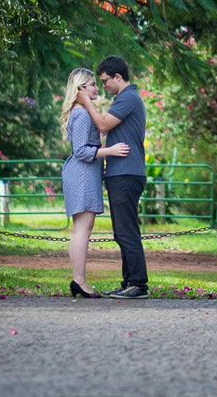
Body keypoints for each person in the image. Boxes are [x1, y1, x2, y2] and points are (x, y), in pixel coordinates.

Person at [76, 55, 149, 299]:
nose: (103, 85)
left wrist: (86, 101)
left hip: (127, 173)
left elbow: (103, 125)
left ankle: (138, 284)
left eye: (105, 80)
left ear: (118, 77)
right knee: (122, 232)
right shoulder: (125, 98)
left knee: (127, 232)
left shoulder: (128, 97)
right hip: (121, 173)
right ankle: (129, 281)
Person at [59, 67, 129, 299]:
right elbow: (80, 151)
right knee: (82, 230)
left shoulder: (80, 112)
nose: (97, 88)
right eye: (92, 85)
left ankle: (79, 280)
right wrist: (110, 150)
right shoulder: (81, 114)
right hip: (81, 174)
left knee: (81, 230)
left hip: (84, 174)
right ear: (80, 89)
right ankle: (79, 280)